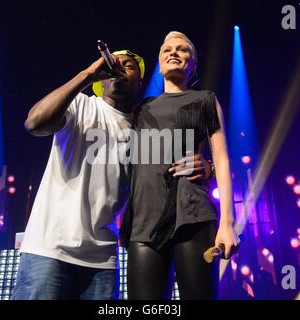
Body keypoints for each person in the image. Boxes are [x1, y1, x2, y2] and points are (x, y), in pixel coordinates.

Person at [12, 48, 213, 300]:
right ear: (101, 79)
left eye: (128, 66)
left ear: (139, 82)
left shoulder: (145, 127)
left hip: (103, 260)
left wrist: (207, 167)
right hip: (49, 250)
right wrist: (87, 75)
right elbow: (35, 123)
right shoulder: (82, 105)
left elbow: (173, 166)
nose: (118, 70)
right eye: (112, 65)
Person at [121, 31, 240, 300]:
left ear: (193, 64)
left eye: (183, 49)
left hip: (193, 217)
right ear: (159, 64)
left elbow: (221, 159)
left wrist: (228, 223)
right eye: (167, 50)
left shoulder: (204, 100)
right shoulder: (141, 109)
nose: (174, 52)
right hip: (144, 225)